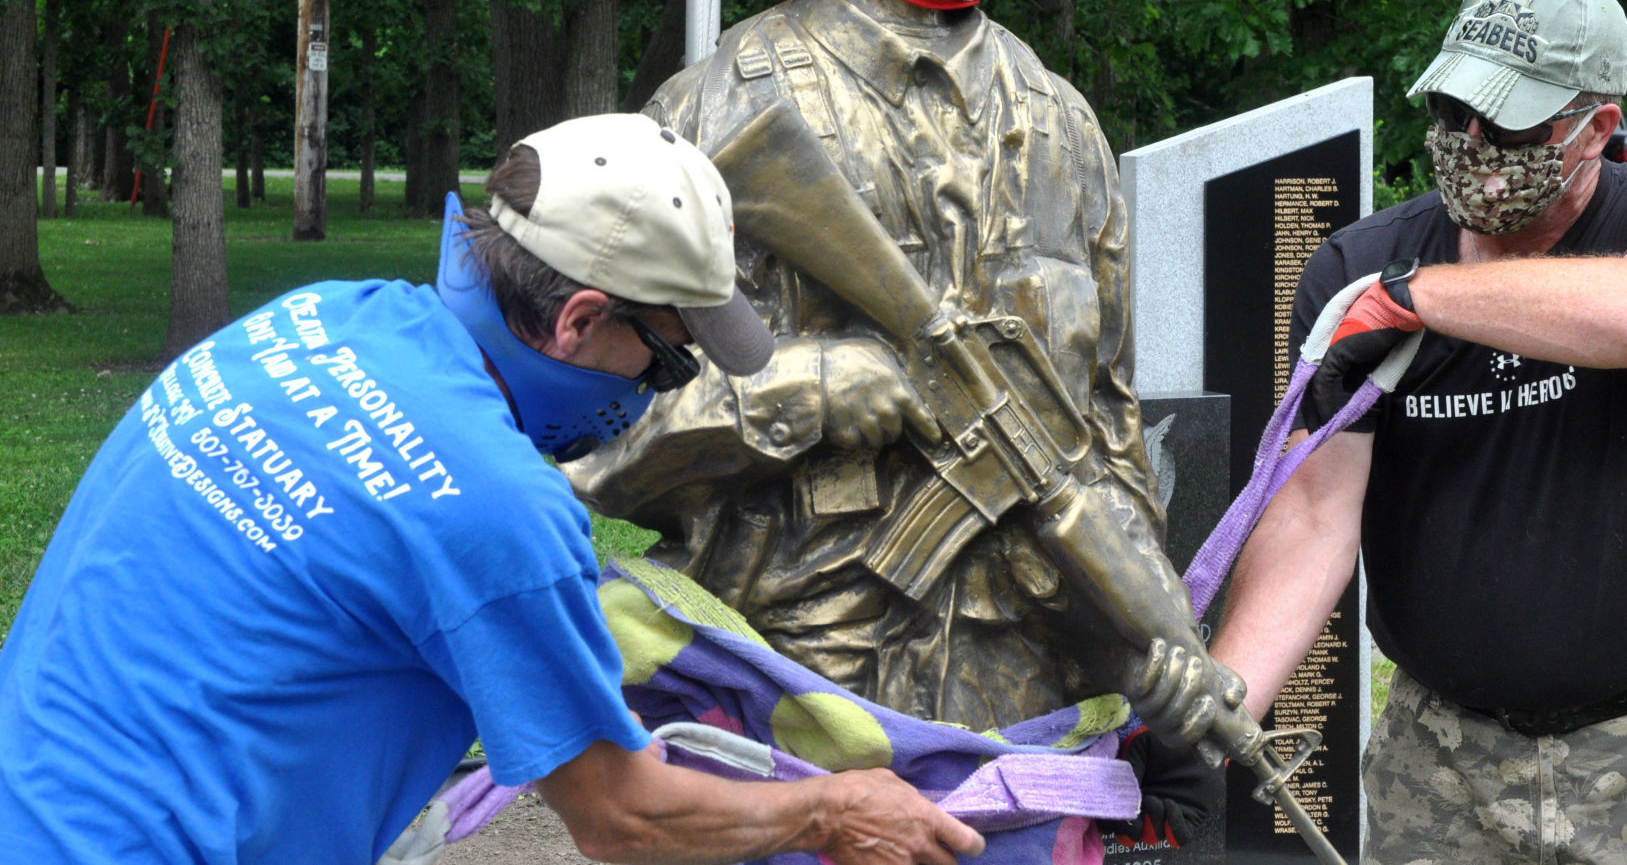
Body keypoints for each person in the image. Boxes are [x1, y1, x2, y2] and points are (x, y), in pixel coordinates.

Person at [0, 113, 984, 865]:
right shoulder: (499, 507)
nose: (654, 395)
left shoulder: (318, 318)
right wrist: (833, 806)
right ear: (580, 321)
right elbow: (621, 814)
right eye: (666, 364)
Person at [559, 0, 1223, 759]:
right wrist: (806, 386)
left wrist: (1143, 632)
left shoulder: (1059, 126)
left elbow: (1105, 426)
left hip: (1021, 701)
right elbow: (595, 441)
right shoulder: (716, 113)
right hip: (790, 691)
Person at [1211, 0, 1627, 862]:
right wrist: (1217, 713)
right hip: (1442, 763)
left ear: (1598, 128)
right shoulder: (1361, 264)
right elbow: (1314, 514)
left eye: (1508, 120)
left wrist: (1417, 298)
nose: (1472, 140)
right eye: (1451, 112)